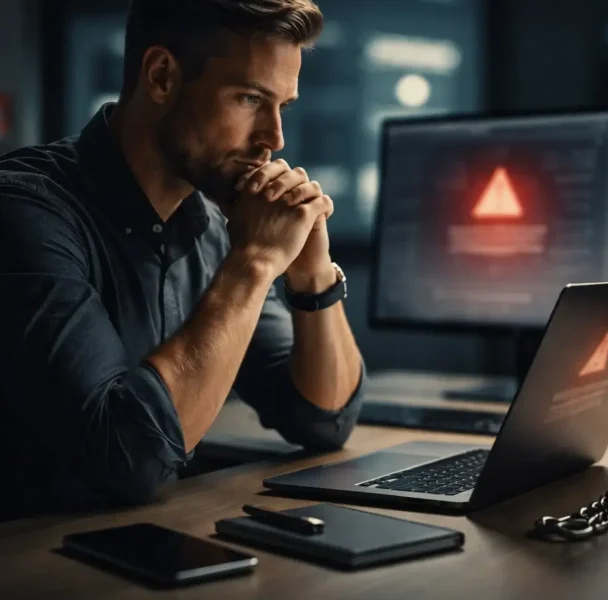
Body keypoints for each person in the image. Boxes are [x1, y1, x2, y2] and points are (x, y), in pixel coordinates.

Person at [0, 0, 366, 518]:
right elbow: (128, 458)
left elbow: (323, 418)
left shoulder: (213, 226)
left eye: (281, 106)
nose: (274, 139)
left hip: (145, 549)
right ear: (162, 76)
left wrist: (312, 275)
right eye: (248, 98)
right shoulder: (24, 210)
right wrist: (257, 262)